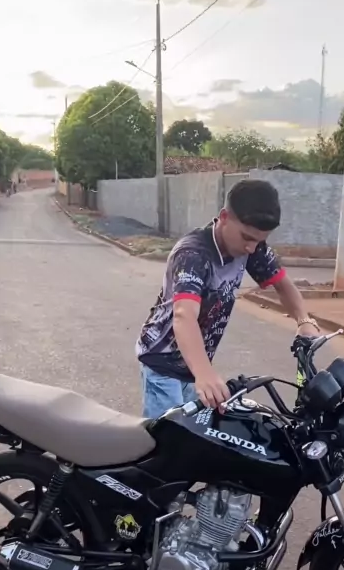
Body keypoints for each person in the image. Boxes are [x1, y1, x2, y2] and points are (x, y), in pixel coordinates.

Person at [136, 178, 319, 420]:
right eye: (246, 237)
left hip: (193, 362)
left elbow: (283, 285)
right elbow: (184, 315)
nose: (251, 248)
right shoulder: (192, 254)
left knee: (199, 433)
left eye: (259, 240)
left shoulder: (251, 247)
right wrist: (204, 373)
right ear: (224, 217)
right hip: (163, 361)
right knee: (166, 436)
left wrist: (303, 320)